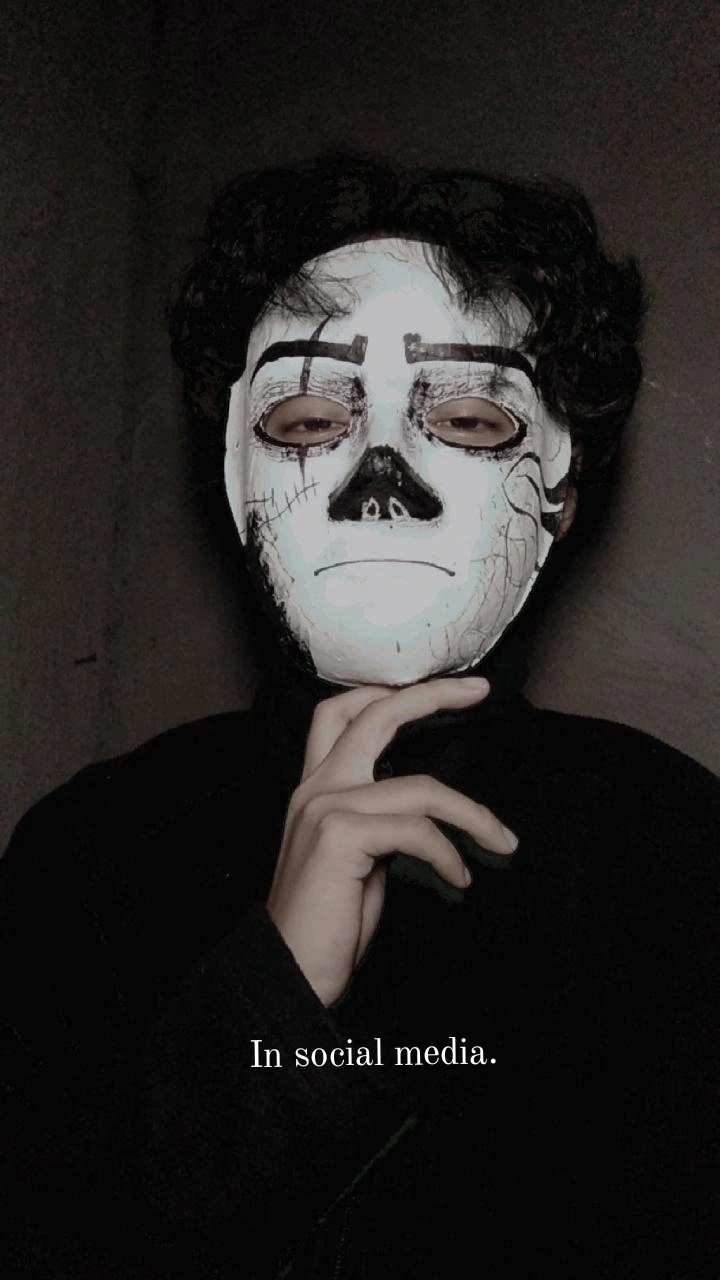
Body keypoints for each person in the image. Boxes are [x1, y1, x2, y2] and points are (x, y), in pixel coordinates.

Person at [1, 151, 717, 1279]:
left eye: (471, 418)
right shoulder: (90, 858)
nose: (381, 474)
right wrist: (266, 998)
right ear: (236, 479)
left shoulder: (680, 858)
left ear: (563, 488)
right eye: (304, 416)